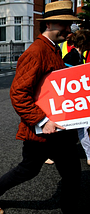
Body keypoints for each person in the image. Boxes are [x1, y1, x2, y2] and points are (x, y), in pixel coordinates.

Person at [0, 1, 81, 214]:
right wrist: (42, 121)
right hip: (43, 129)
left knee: (69, 172)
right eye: (65, 24)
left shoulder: (52, 49)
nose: (69, 29)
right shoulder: (36, 52)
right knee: (30, 169)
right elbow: (18, 94)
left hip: (57, 129)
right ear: (51, 24)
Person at [63, 29, 90, 166]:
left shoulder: (79, 56)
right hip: (69, 101)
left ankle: (89, 155)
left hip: (75, 100)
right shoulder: (71, 57)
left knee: (82, 128)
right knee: (78, 128)